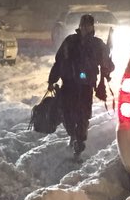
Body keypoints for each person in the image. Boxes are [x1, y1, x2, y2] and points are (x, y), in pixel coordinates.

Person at [48, 13, 114, 156]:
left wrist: (107, 68)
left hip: (86, 86)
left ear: (92, 27)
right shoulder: (70, 41)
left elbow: (108, 65)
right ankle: (73, 134)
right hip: (69, 84)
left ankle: (80, 141)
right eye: (83, 25)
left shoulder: (97, 44)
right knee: (67, 112)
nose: (85, 28)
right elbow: (59, 61)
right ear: (79, 26)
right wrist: (52, 80)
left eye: (88, 25)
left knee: (83, 115)